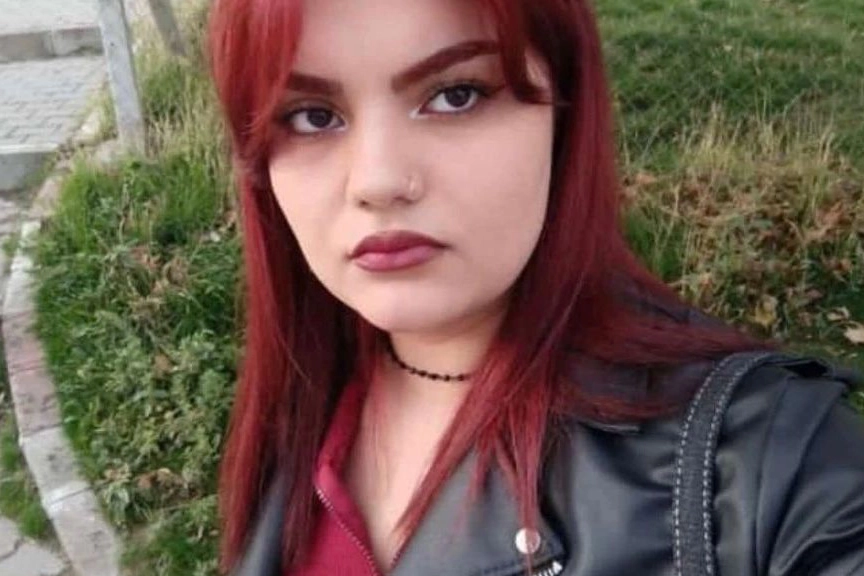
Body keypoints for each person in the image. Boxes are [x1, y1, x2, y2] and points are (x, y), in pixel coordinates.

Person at [206, 0, 864, 574]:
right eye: (312, 116)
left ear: (564, 114)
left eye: (456, 95)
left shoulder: (765, 464)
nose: (377, 181)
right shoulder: (304, 402)